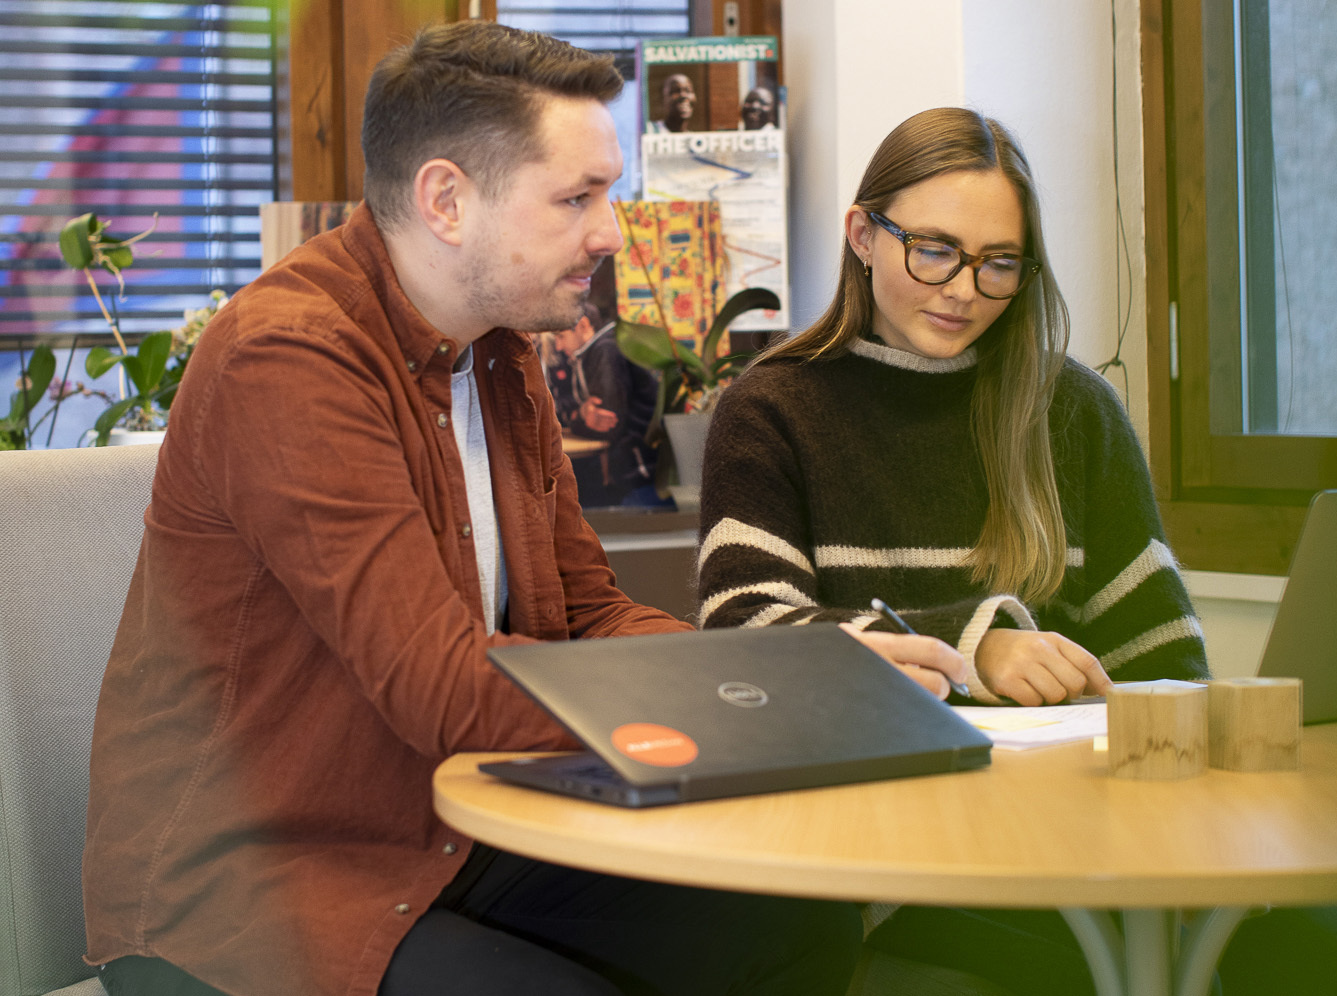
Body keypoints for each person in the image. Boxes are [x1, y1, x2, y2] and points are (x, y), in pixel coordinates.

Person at [80, 22, 893, 996]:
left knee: (792, 923)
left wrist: (793, 676)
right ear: (446, 201)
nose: (610, 231)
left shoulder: (501, 352)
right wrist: (750, 700)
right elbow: (444, 689)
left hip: (451, 831)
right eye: (577, 198)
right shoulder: (289, 357)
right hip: (250, 887)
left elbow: (588, 612)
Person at [695, 107, 1337, 995]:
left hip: (1102, 830)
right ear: (862, 236)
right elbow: (746, 642)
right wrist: (975, 646)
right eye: (934, 250)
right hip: (901, 857)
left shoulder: (1073, 408)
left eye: (1000, 263)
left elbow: (1165, 661)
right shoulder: (771, 409)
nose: (965, 289)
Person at [548, 304, 664, 507]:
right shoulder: (590, 353)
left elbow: (608, 425)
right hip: (630, 466)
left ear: (583, 325)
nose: (558, 346)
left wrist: (577, 419)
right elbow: (577, 405)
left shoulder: (605, 351)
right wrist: (582, 413)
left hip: (639, 472)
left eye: (561, 336)